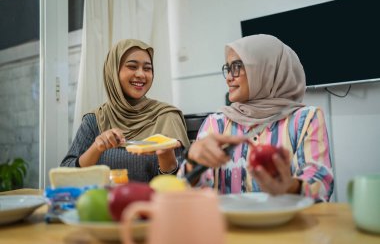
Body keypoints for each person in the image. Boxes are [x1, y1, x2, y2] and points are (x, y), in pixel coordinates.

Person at [178, 34, 334, 202]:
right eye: (228, 68)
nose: (229, 77)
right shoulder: (217, 123)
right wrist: (192, 163)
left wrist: (290, 187)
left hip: (287, 226)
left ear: (267, 69)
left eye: (237, 67)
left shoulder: (305, 119)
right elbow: (187, 192)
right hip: (230, 226)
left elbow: (321, 184)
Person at [61, 39, 190, 182]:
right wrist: (96, 148)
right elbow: (64, 176)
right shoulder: (97, 119)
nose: (141, 74)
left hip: (151, 203)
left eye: (147, 68)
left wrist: (166, 156)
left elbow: (184, 181)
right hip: (103, 202)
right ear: (113, 72)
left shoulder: (167, 117)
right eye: (132, 66)